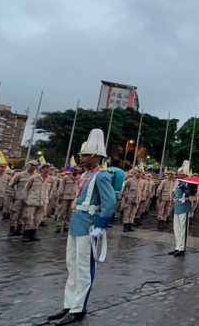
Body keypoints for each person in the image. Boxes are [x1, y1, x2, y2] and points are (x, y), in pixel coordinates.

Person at [46, 128, 119, 325]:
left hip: (88, 225)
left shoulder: (101, 176)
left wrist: (100, 225)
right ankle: (69, 304)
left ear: (96, 156)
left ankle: (79, 308)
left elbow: (110, 202)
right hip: (77, 223)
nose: (81, 157)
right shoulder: (85, 175)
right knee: (72, 265)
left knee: (84, 267)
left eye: (85, 154)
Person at [22, 162, 56, 243]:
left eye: (49, 168)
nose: (47, 169)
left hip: (43, 201)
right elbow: (26, 188)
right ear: (42, 168)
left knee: (38, 218)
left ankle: (33, 233)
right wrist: (25, 198)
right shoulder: (34, 177)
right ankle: (26, 234)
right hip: (32, 200)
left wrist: (48, 199)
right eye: (45, 167)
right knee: (29, 217)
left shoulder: (51, 179)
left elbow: (51, 190)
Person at [8, 160, 36, 236]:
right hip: (18, 197)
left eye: (34, 165)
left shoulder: (36, 177)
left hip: (28, 199)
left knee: (24, 214)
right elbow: (11, 185)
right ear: (28, 165)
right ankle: (12, 229)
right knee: (15, 213)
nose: (33, 166)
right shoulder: (20, 175)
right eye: (31, 165)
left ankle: (19, 229)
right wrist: (13, 194)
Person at [169, 161, 191, 257]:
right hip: (177, 206)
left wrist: (184, 187)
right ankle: (177, 247)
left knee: (183, 228)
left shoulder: (188, 182)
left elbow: (190, 192)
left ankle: (182, 248)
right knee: (176, 228)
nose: (178, 175)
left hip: (184, 206)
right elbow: (174, 193)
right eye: (178, 174)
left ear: (184, 174)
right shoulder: (177, 182)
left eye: (180, 174)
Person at [55, 168, 79, 233]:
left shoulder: (78, 178)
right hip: (65, 196)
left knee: (70, 212)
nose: (76, 171)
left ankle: (67, 225)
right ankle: (59, 226)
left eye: (77, 170)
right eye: (75, 170)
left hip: (73, 197)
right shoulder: (66, 177)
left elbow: (79, 187)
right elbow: (61, 187)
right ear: (72, 170)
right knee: (62, 212)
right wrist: (60, 196)